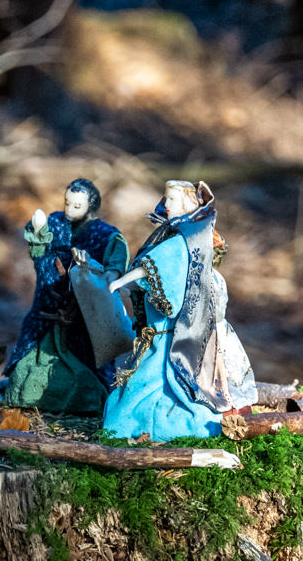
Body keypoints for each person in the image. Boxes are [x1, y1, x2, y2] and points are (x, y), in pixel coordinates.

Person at [104, 180, 258, 442]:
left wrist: (122, 281)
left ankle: (155, 423)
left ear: (187, 204)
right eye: (166, 199)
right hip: (179, 330)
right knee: (151, 379)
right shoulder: (179, 234)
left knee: (172, 381)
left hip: (180, 335)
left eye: (172, 200)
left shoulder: (183, 240)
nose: (166, 204)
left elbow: (155, 265)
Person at [5, 177, 130, 414]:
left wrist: (109, 277)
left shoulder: (105, 234)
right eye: (67, 203)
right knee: (30, 369)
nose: (70, 210)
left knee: (86, 372)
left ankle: (87, 400)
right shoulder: (55, 223)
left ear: (90, 206)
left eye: (77, 205)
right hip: (48, 309)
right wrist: (39, 232)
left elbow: (115, 258)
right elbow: (39, 251)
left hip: (84, 318)